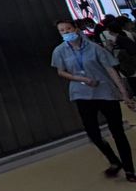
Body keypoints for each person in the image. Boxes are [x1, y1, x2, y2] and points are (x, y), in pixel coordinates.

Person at [52, 19, 136, 182]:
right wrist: (79, 78)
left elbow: (111, 71)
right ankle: (114, 161)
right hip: (81, 94)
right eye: (62, 31)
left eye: (68, 29)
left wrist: (124, 94)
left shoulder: (94, 48)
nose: (66, 33)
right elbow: (61, 72)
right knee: (93, 133)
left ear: (75, 28)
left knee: (117, 132)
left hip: (105, 93)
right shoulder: (60, 51)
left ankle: (129, 170)